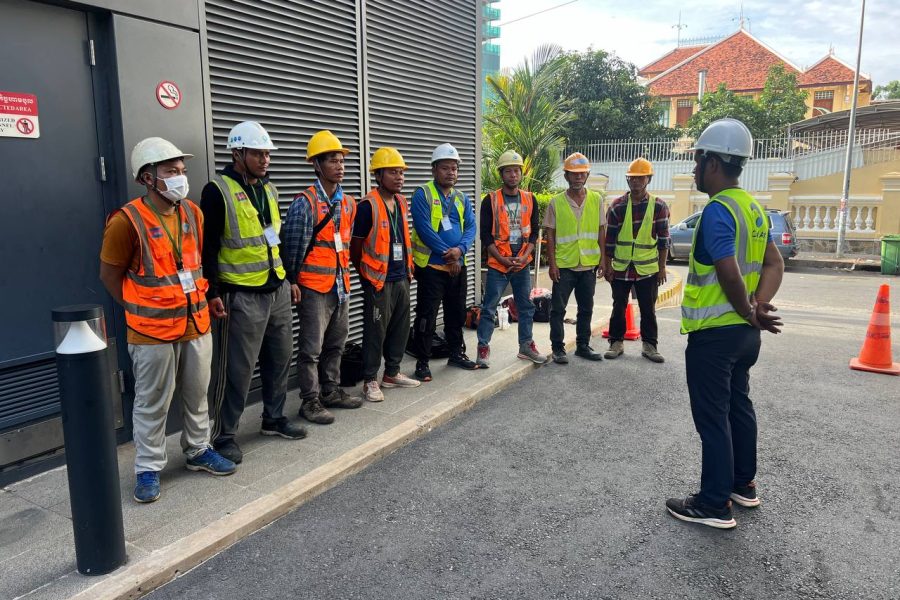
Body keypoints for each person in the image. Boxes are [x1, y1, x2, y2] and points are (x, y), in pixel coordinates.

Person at [100, 137, 235, 504]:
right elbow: (110, 275)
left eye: (182, 171)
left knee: (196, 394)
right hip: (151, 331)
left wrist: (209, 297)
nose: (180, 177)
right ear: (147, 178)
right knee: (152, 402)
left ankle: (198, 450)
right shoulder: (126, 222)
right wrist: (138, 309)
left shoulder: (193, 212)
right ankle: (147, 468)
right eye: (171, 171)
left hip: (196, 322)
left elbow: (194, 265)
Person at [666, 118, 785, 529]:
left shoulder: (717, 211)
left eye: (698, 160)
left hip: (716, 335)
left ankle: (714, 503)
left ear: (713, 162)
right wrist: (758, 306)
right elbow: (774, 262)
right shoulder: (752, 208)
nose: (695, 169)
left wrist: (748, 308)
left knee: (713, 417)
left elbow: (728, 270)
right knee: (738, 406)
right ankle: (742, 485)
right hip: (744, 336)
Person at [202, 121, 307, 466]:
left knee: (280, 358)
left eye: (267, 154)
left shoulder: (269, 190)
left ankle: (273, 418)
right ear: (237, 153)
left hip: (275, 287)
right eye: (258, 154)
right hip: (240, 294)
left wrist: (289, 277)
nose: (265, 160)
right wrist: (213, 291)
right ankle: (224, 434)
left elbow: (271, 241)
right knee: (237, 368)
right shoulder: (216, 190)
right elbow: (208, 247)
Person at [282, 130, 364, 423]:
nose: (340, 166)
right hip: (313, 288)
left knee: (336, 344)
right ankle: (310, 401)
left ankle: (331, 390)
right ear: (316, 165)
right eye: (332, 161)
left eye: (342, 161)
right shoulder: (304, 203)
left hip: (341, 285)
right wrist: (292, 280)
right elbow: (291, 247)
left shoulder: (349, 203)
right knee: (311, 349)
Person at [349, 147, 421, 402]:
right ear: (378, 176)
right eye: (393, 172)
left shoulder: (401, 202)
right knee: (375, 332)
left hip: (402, 276)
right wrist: (366, 276)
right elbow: (355, 248)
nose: (399, 177)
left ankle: (392, 373)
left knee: (400, 328)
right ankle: (370, 379)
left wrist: (407, 270)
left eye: (401, 172)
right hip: (378, 281)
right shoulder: (368, 206)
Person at [409, 143, 478, 381]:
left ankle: (456, 353)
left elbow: (471, 227)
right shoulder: (423, 194)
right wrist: (447, 253)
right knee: (426, 316)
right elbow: (424, 228)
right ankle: (422, 362)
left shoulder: (461, 198)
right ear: (434, 169)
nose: (451, 173)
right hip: (432, 267)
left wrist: (459, 250)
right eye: (445, 168)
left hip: (457, 266)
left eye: (454, 168)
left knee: (456, 313)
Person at [475, 150, 546, 367]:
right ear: (501, 174)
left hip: (521, 264)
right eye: (508, 171)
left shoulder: (529, 198)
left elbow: (534, 232)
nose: (513, 175)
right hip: (498, 264)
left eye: (516, 171)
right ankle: (483, 348)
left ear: (521, 173)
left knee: (526, 306)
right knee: (489, 307)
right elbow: (485, 235)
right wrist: (502, 259)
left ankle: (526, 345)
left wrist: (525, 255)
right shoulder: (491, 200)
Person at [602, 157, 669, 363]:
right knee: (618, 306)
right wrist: (607, 265)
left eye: (640, 178)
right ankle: (616, 342)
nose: (636, 182)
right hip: (621, 267)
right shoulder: (617, 206)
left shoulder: (658, 206)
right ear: (627, 180)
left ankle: (650, 345)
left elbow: (664, 240)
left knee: (648, 308)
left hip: (647, 268)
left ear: (648, 179)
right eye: (632, 178)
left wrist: (662, 268)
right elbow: (609, 239)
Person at [544, 152, 606, 364]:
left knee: (586, 308)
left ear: (587, 175)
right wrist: (552, 264)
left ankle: (582, 345)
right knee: (558, 310)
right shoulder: (556, 203)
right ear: (567, 176)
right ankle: (558, 348)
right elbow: (550, 234)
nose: (578, 177)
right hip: (564, 265)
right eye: (574, 174)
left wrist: (603, 260)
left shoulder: (597, 200)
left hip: (588, 265)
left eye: (582, 174)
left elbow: (601, 231)